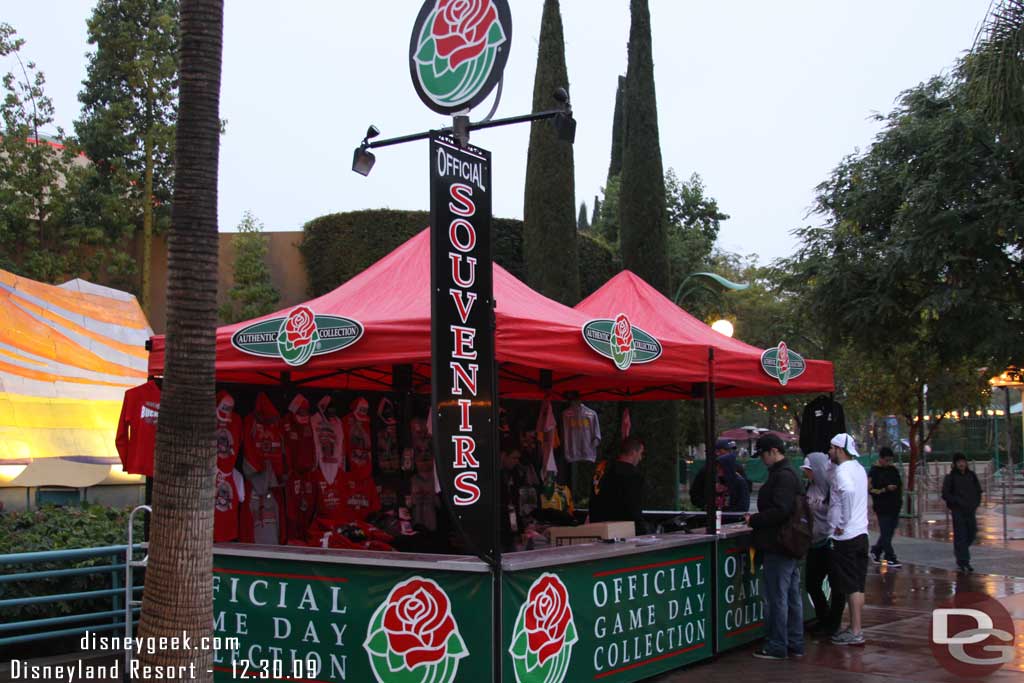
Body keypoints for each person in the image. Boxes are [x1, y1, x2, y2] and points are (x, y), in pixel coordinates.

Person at [745, 433, 804, 660]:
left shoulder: (782, 476)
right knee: (790, 595)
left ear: (772, 451)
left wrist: (755, 520)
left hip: (778, 543)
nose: (761, 460)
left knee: (777, 596)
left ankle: (778, 644)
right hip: (788, 543)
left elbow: (781, 510)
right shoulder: (789, 474)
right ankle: (794, 641)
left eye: (762, 454)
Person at [827, 433, 869, 646]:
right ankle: (856, 627)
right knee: (858, 585)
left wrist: (842, 522)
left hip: (847, 536)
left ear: (840, 450)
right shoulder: (859, 469)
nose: (829, 452)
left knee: (850, 585)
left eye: (831, 448)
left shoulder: (843, 471)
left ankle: (855, 630)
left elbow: (848, 492)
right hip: (862, 533)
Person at [801, 452, 845, 636]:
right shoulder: (808, 487)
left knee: (836, 585)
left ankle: (832, 624)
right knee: (811, 583)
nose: (807, 474)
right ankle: (823, 617)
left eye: (809, 470)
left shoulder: (831, 487)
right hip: (813, 543)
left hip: (829, 542)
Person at [590, 435, 648, 533]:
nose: (640, 458)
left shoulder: (602, 471)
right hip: (623, 531)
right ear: (633, 453)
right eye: (640, 453)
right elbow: (633, 509)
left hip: (599, 529)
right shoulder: (634, 476)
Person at [941, 452, 983, 573]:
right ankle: (964, 561)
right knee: (961, 536)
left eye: (963, 461)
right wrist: (956, 502)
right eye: (959, 462)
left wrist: (975, 503)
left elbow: (978, 491)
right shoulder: (950, 477)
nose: (961, 464)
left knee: (972, 533)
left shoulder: (972, 475)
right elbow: (945, 494)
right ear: (955, 464)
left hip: (970, 510)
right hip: (958, 511)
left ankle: (960, 551)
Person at [868, 446, 902, 566]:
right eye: (887, 460)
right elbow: (870, 489)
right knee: (886, 532)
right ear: (881, 459)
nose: (889, 463)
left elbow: (899, 484)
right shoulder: (874, 471)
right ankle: (890, 557)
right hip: (882, 507)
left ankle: (876, 551)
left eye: (890, 460)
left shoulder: (893, 470)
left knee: (888, 532)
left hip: (894, 506)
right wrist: (885, 489)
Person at [690, 439, 743, 510]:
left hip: (733, 516)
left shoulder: (738, 469)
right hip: (711, 515)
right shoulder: (706, 470)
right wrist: (706, 506)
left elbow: (745, 492)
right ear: (717, 452)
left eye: (732, 450)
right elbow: (695, 493)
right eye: (727, 450)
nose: (731, 453)